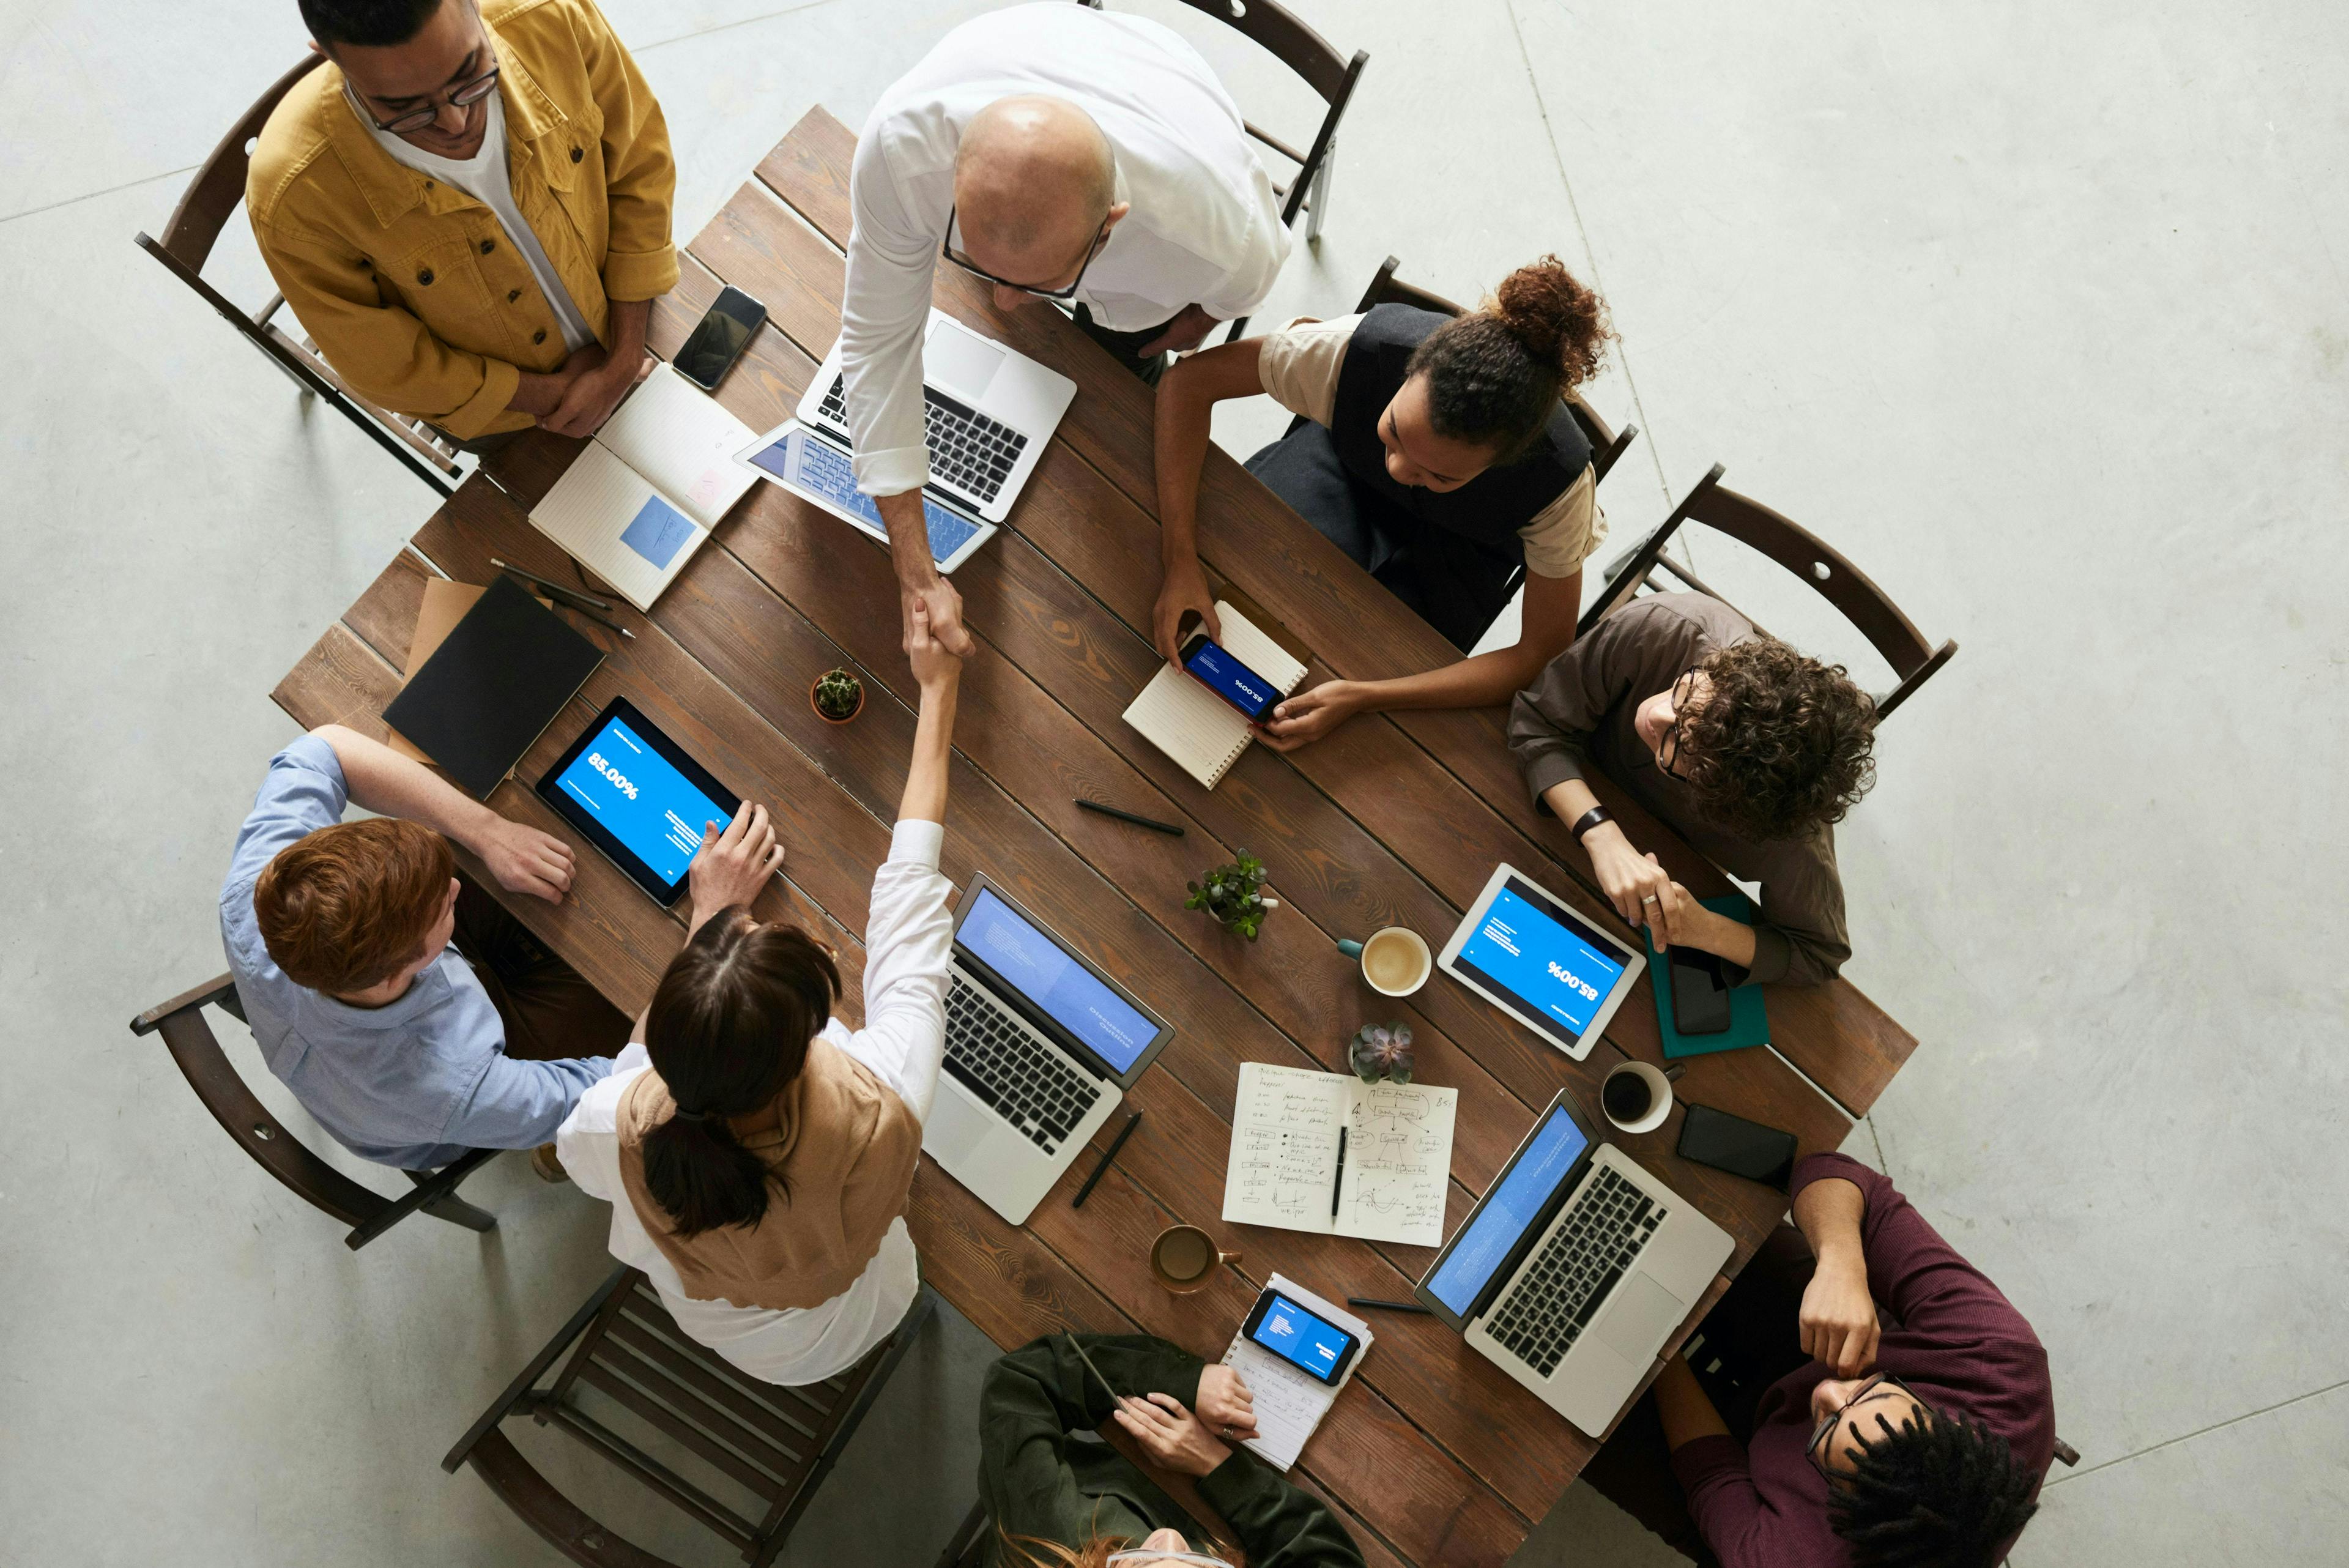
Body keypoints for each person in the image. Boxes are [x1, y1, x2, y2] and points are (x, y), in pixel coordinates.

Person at [557, 607, 963, 1384]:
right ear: (807, 1045)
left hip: (740, 1339)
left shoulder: (616, 1120)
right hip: (857, 1311)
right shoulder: (883, 1101)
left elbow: (625, 1083)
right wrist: (940, 691)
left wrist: (707, 918)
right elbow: (911, 907)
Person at [842, 1, 1290, 659]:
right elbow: (877, 343)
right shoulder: (899, 149)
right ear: (956, 177)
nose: (1003, 304)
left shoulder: (1216, 238)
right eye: (977, 262)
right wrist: (915, 566)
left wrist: (1189, 326)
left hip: (1164, 101)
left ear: (1111, 224)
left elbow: (1240, 290)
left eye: (1037, 284)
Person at [1156, 257, 1619, 727]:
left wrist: (1365, 696)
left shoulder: (1559, 485)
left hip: (1463, 553)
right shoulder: (1352, 352)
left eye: (1441, 476)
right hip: (1341, 471)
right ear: (1408, 371)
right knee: (1239, 578)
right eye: (1395, 431)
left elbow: (1541, 652)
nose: (1398, 469)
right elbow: (1187, 384)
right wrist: (1180, 562)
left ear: (1506, 461)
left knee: (1379, 669)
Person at [1578, 1154, 2053, 1567]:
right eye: (1869, 1391)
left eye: (1827, 1428)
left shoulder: (1793, 1558)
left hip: (1745, 1480)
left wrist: (1658, 1341)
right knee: (1704, 1213)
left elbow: (1712, 1470)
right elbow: (1831, 1171)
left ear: (1839, 1506)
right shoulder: (1999, 1361)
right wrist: (1841, 1262)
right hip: (1826, 1337)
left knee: (1579, 1410)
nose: (1825, 1391)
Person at [250, 0, 677, 448]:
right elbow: (385, 365)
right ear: (327, 55)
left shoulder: (550, 17)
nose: (456, 122)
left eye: (470, 73)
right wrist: (551, 396)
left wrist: (625, 356)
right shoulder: (292, 196)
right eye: (405, 109)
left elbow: (640, 166)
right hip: (506, 418)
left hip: (636, 314)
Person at [221, 724, 628, 1173]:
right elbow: (618, 1098)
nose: (455, 887)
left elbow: (326, 745)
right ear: (397, 975)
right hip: (442, 1110)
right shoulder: (450, 1086)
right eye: (443, 907)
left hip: (356, 1055)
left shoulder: (267, 887)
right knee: (634, 1012)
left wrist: (487, 832)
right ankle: (553, 1154)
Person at [1508, 592, 1878, 985]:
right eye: (1686, 695)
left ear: (1721, 799)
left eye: (1679, 747)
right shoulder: (1665, 628)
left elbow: (1817, 956)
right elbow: (1538, 720)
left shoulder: (1791, 835)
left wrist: (1703, 929)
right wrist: (1602, 837)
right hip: (1545, 809)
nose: (1656, 714)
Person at [979, 1331, 1364, 1568]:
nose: (1169, 1538)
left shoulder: (1049, 1532)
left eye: (1136, 1563)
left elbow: (1018, 1387)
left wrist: (1181, 1379)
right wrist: (1216, 1464)